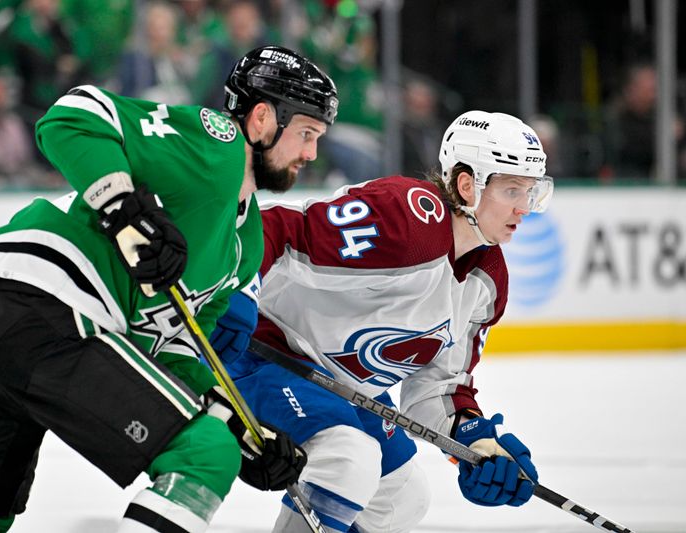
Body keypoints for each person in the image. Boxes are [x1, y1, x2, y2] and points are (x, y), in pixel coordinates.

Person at [0, 45, 338, 533]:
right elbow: (74, 116)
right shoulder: (216, 145)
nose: (311, 153)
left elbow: (174, 350)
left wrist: (241, 427)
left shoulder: (244, 241)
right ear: (261, 119)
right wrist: (122, 208)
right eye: (305, 133)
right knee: (203, 455)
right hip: (46, 308)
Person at [210, 110, 554, 532]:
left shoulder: (488, 282)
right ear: (468, 185)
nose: (525, 207)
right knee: (348, 458)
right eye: (512, 190)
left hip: (336, 386)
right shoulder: (406, 219)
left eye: (532, 192)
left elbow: (440, 388)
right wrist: (233, 290)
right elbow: (278, 230)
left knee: (402, 498)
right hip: (257, 350)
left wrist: (476, 441)